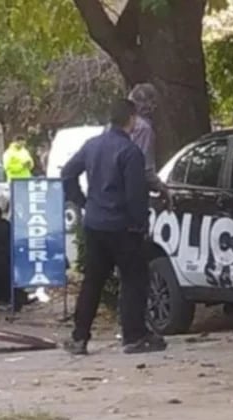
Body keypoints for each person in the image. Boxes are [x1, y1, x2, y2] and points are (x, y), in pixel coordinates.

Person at [61, 98, 166, 355]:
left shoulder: (92, 145)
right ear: (131, 119)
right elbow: (135, 194)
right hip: (122, 226)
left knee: (93, 282)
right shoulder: (130, 152)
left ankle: (79, 337)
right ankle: (133, 336)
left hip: (95, 224)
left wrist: (81, 201)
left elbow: (67, 173)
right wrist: (140, 225)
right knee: (133, 280)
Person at [127, 83, 173, 208]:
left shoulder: (112, 126)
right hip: (132, 198)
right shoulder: (144, 128)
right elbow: (145, 169)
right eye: (153, 103)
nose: (155, 107)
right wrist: (162, 188)